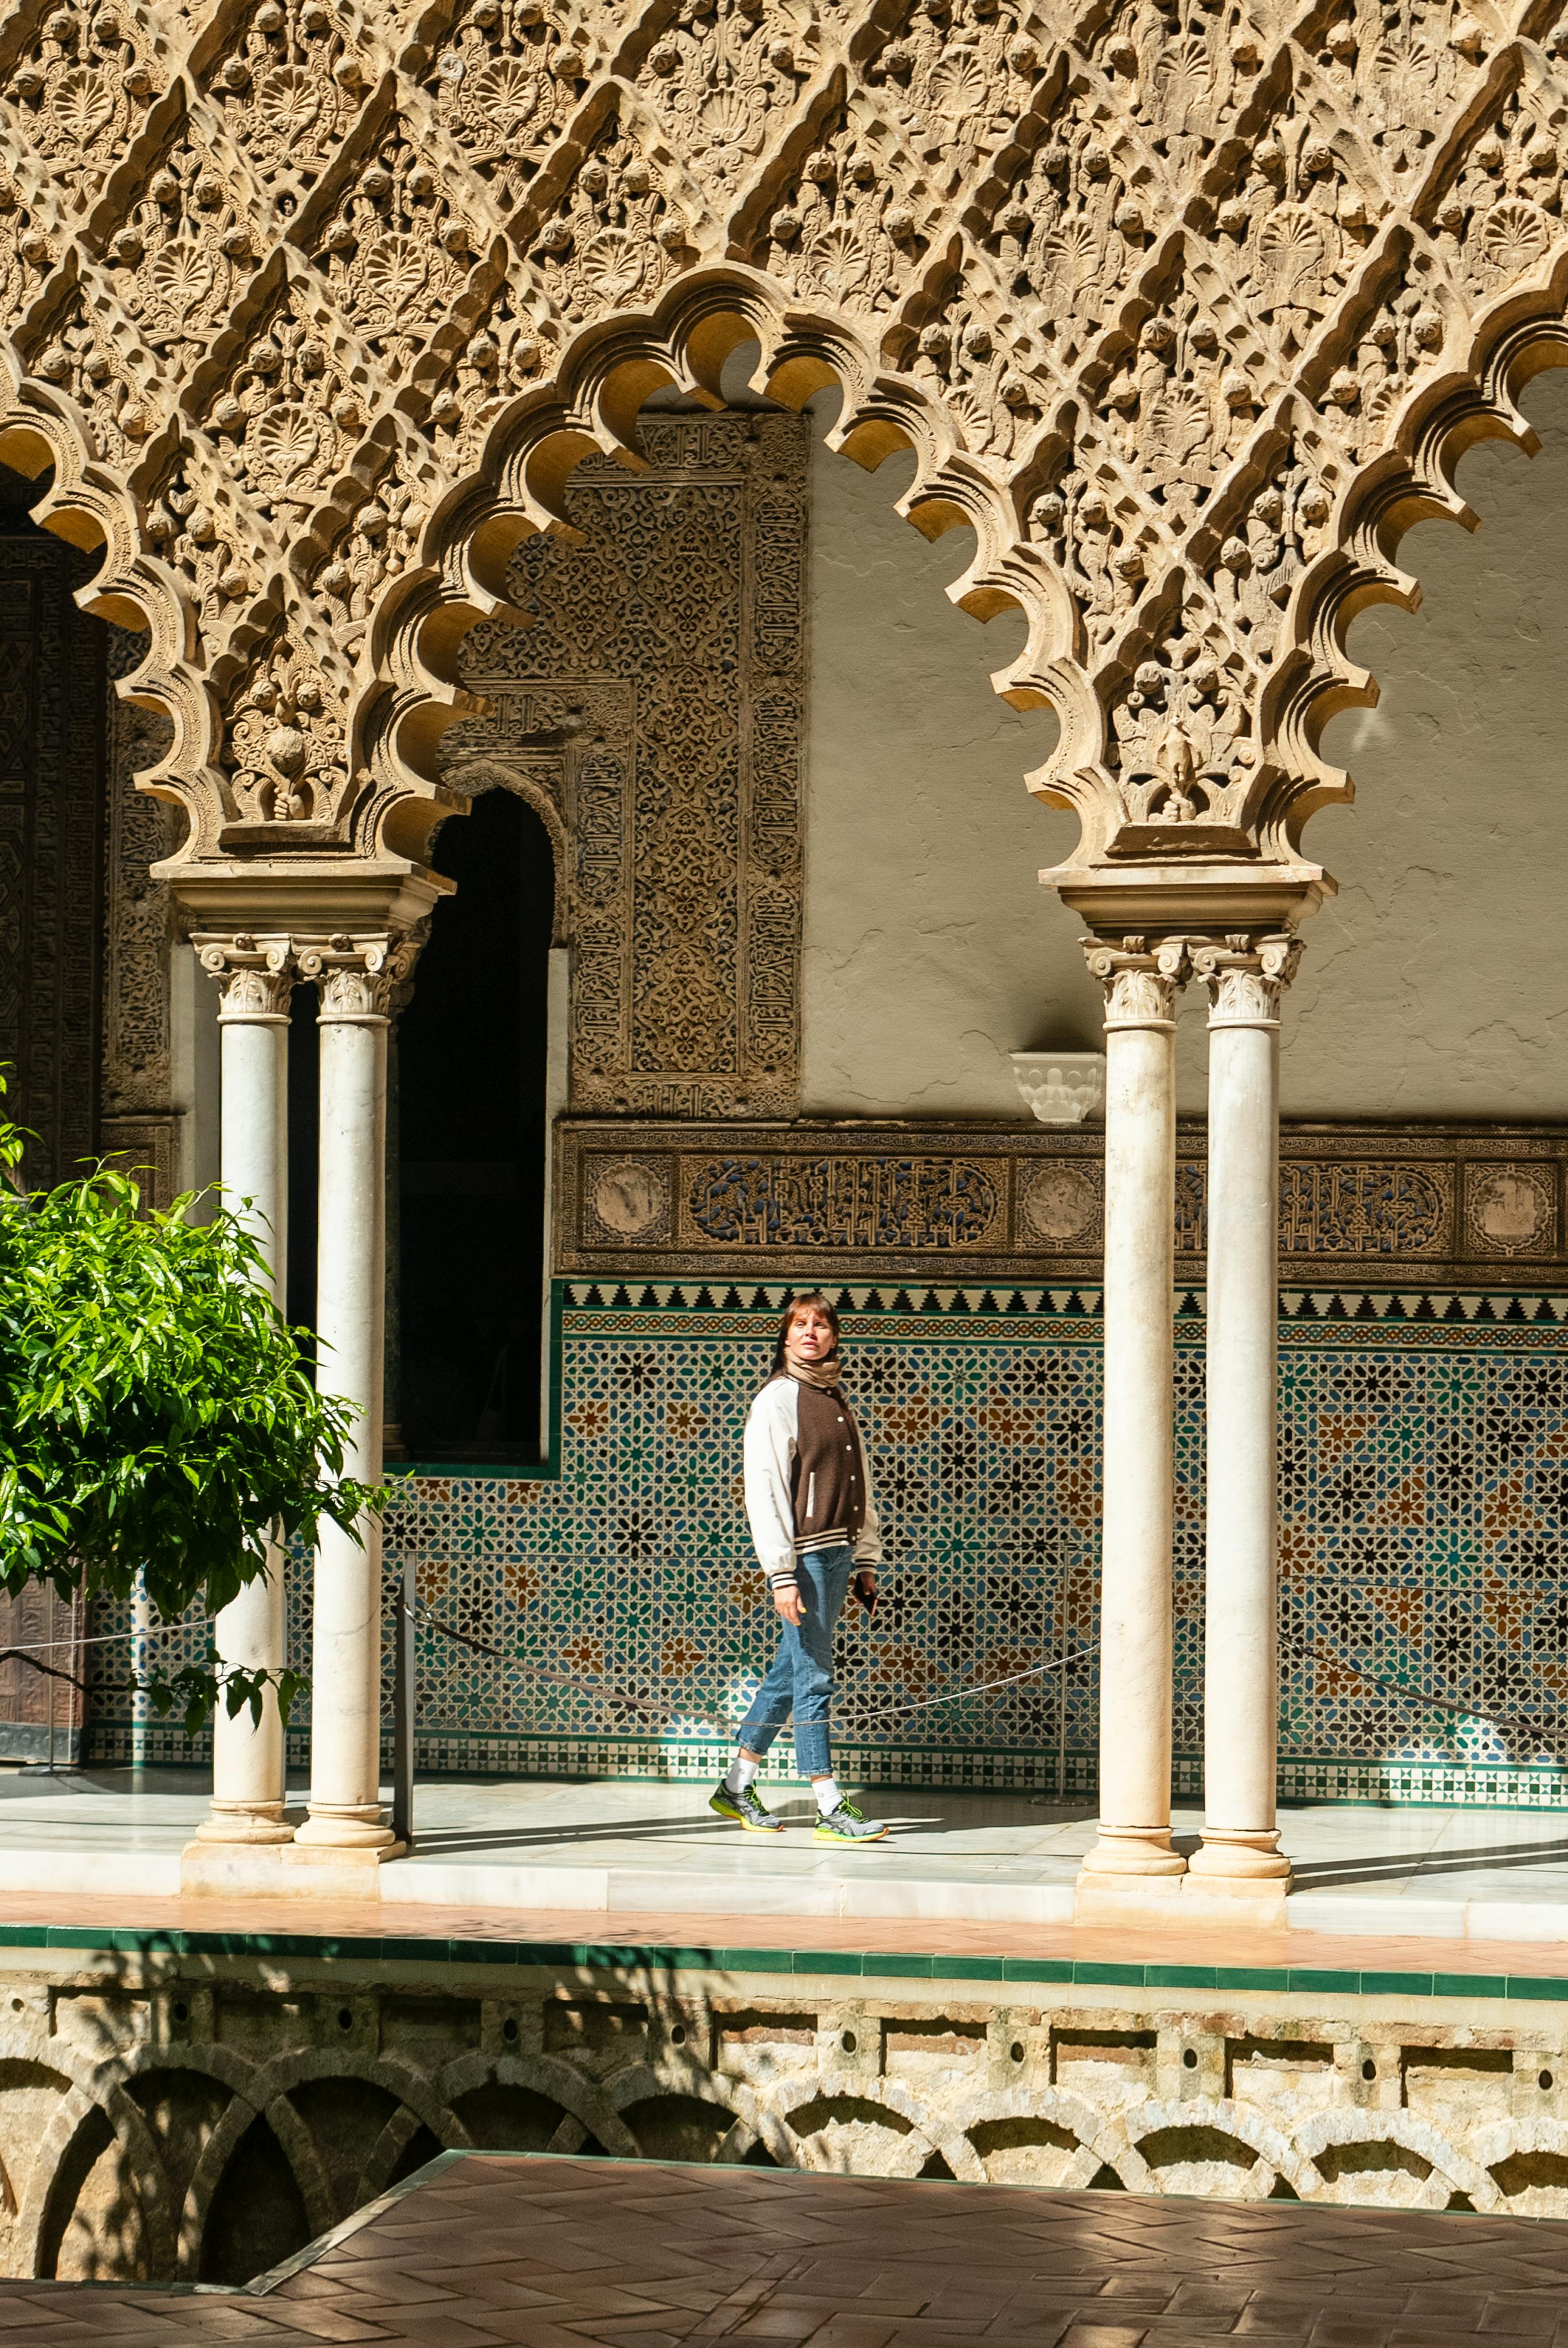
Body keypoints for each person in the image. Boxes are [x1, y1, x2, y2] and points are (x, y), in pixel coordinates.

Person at [710, 1291, 889, 1843]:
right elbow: (764, 1492)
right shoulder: (777, 1399)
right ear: (784, 1336)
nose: (811, 1332)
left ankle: (737, 1785)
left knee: (789, 1674)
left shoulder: (834, 1397)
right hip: (805, 1558)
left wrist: (866, 1556)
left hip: (837, 1555)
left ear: (835, 1336)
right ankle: (829, 1802)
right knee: (814, 1675)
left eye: (821, 1324)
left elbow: (860, 1479)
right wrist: (781, 1573)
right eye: (800, 1324)